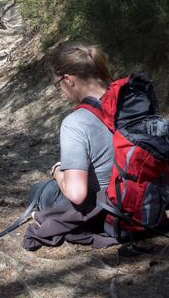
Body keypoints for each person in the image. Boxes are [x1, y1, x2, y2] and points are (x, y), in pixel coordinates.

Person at [22, 44, 119, 250]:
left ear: (69, 79)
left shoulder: (76, 122)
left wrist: (58, 172)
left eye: (59, 83)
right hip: (144, 203)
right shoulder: (130, 104)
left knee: (38, 190)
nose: (62, 90)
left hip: (104, 211)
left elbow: (77, 194)